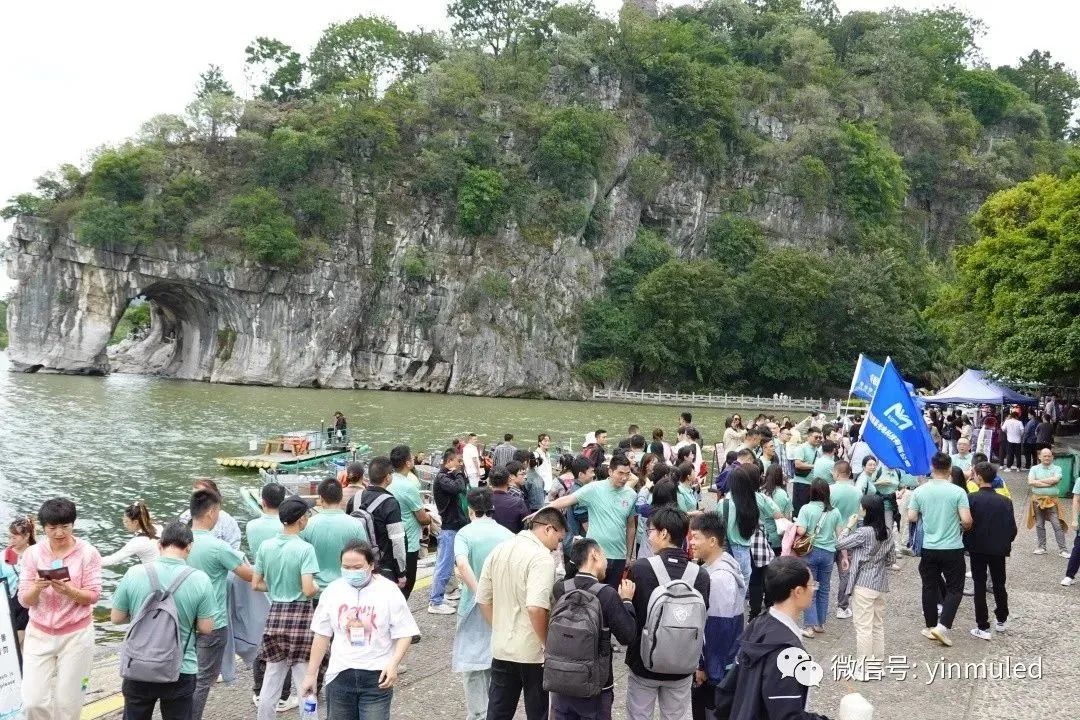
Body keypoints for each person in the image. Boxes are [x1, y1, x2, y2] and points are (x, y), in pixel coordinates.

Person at [300, 540, 420, 720]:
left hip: (377, 676)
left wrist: (393, 664)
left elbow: (405, 633)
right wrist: (311, 674)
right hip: (340, 675)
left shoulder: (388, 591)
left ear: (371, 565)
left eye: (357, 567)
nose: (351, 572)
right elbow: (321, 635)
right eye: (346, 567)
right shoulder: (333, 591)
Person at [110, 521, 215, 720]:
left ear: (160, 545)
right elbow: (206, 627)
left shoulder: (135, 573)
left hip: (138, 665)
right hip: (180, 667)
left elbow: (116, 618)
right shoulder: (200, 579)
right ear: (189, 547)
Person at [477, 507, 566, 720]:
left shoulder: (500, 549)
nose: (557, 546)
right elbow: (535, 607)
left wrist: (498, 627)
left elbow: (482, 599)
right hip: (533, 653)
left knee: (498, 710)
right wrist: (546, 643)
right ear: (549, 529)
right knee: (538, 711)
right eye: (559, 539)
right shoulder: (541, 559)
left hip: (502, 647)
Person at [18, 498, 102, 720]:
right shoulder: (33, 554)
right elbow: (24, 600)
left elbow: (93, 595)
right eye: (52, 527)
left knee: (68, 704)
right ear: (43, 528)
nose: (58, 533)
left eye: (65, 526)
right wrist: (36, 588)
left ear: (73, 524)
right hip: (39, 632)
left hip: (76, 634)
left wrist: (69, 591)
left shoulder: (88, 553)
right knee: (32, 701)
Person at [624, 507, 711, 720]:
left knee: (639, 715)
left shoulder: (641, 568)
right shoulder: (700, 575)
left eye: (651, 531)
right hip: (682, 664)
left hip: (644, 662)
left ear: (664, 533)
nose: (649, 536)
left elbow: (632, 619)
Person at [727, 557, 832, 720]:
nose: (814, 589)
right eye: (812, 585)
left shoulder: (758, 623)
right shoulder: (788, 652)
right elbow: (787, 715)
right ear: (797, 592)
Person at [548, 538, 637, 720]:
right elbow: (628, 636)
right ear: (594, 554)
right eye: (604, 556)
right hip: (596, 687)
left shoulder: (560, 589)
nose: (607, 563)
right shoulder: (607, 594)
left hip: (560, 681)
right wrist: (627, 601)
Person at [186, 489, 254, 720]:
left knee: (184, 674)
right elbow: (248, 575)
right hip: (213, 622)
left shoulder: (178, 542)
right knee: (204, 679)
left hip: (182, 620)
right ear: (212, 512)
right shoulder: (218, 547)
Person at [252, 496, 319, 720]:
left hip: (275, 615)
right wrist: (316, 586)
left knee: (272, 676)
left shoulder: (266, 546)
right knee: (305, 678)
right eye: (307, 515)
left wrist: (279, 586)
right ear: (300, 520)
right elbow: (308, 589)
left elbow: (256, 584)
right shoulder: (305, 548)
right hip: (300, 617)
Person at [452, 489, 514, 720]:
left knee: (472, 667)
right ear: (492, 508)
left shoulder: (465, 534)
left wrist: (479, 594)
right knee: (496, 661)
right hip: (503, 606)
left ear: (470, 510)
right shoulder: (507, 534)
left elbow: (463, 565)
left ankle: (478, 714)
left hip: (472, 607)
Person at [907, 452, 972, 648]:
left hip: (929, 546)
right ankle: (943, 626)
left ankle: (930, 626)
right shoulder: (958, 492)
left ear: (932, 468)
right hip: (952, 547)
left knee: (929, 586)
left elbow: (911, 516)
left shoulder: (920, 491)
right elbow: (967, 520)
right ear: (950, 469)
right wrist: (962, 526)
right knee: (955, 588)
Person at [547, 454, 638, 589]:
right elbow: (567, 500)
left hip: (619, 556)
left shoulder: (631, 494)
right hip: (594, 555)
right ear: (610, 471)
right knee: (589, 594)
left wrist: (629, 555)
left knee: (610, 595)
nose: (624, 478)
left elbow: (631, 526)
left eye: (627, 474)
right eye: (620, 473)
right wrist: (542, 511)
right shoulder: (594, 489)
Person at [688, 514, 744, 720]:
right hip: (724, 663)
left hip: (715, 669)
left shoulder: (718, 579)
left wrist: (705, 667)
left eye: (695, 537)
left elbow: (718, 628)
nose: (691, 542)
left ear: (712, 541)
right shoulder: (726, 566)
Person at [835, 495, 895, 679]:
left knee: (863, 627)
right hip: (880, 584)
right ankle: (878, 665)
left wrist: (848, 526)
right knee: (877, 625)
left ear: (867, 510)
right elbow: (891, 560)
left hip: (863, 583)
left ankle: (863, 668)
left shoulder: (864, 532)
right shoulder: (887, 532)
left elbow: (840, 544)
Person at [246, 482, 291, 711]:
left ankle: (258, 690)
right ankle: (283, 696)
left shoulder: (252, 526)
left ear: (262, 501)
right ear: (283, 502)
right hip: (285, 590)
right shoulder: (287, 528)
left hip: (261, 585)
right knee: (286, 645)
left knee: (260, 643)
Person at [965, 462, 1016, 640]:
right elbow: (1012, 529)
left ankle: (982, 625)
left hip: (977, 548)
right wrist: (1004, 542)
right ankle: (1001, 619)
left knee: (979, 585)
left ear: (978, 477)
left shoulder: (971, 498)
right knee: (999, 583)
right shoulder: (1005, 501)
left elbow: (966, 523)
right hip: (998, 549)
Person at [719, 465, 782, 589]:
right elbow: (777, 513)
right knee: (743, 584)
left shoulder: (724, 503)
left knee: (727, 585)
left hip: (727, 548)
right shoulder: (755, 498)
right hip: (744, 548)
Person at [303, 478, 370, 591]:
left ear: (321, 498)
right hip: (347, 589)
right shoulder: (355, 525)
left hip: (316, 589)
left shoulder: (308, 525)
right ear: (341, 497)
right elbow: (365, 557)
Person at [357, 457, 408, 588]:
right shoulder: (390, 503)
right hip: (383, 567)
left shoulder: (356, 498)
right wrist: (401, 572)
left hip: (358, 564)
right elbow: (397, 541)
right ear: (387, 477)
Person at [388, 446, 431, 599]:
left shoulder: (388, 480)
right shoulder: (408, 486)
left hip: (391, 538)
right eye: (412, 458)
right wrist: (431, 518)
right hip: (409, 540)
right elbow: (422, 518)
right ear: (407, 463)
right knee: (408, 582)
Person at [431, 448, 469, 615]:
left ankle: (441, 595)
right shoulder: (442, 478)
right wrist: (459, 473)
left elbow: (463, 484)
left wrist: (459, 473)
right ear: (449, 461)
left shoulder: (448, 476)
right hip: (449, 526)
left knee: (446, 564)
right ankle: (435, 601)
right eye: (457, 461)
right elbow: (458, 487)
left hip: (455, 525)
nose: (459, 464)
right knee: (444, 565)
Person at [830, 461, 862, 620]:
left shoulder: (829, 490)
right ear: (850, 473)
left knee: (823, 574)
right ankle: (842, 607)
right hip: (849, 536)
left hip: (829, 537)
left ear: (835, 473)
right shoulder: (857, 492)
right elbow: (860, 514)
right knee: (846, 573)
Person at [179, 478, 242, 550]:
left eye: (201, 497)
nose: (197, 500)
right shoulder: (185, 516)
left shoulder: (227, 521)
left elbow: (234, 548)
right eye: (194, 496)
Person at [1028, 448, 1068, 556]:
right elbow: (1031, 482)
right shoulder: (1034, 468)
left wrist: (1038, 482)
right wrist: (1049, 483)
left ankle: (1063, 550)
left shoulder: (1057, 468)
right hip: (1037, 500)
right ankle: (1041, 547)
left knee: (1057, 524)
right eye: (1044, 456)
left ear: (1052, 457)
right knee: (1039, 524)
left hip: (1052, 500)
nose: (1047, 458)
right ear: (1039, 457)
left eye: (1049, 456)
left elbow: (1055, 480)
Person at [101, 500, 161, 567]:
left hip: (153, 573)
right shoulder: (158, 527)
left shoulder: (137, 542)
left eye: (126, 521)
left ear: (135, 522)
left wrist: (89, 560)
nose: (124, 524)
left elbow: (111, 560)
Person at [5, 516, 35, 647]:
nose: (11, 541)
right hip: (10, 602)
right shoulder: (3, 557)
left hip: (29, 601)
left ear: (26, 536)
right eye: (10, 537)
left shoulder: (37, 553)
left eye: (14, 537)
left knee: (22, 641)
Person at [490, 467, 531, 534]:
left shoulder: (484, 501)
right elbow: (527, 526)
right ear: (509, 479)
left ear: (490, 482)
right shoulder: (518, 502)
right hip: (514, 540)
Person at [791, 428, 822, 514]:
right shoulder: (802, 448)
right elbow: (798, 464)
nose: (818, 439)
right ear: (809, 436)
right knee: (799, 510)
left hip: (812, 484)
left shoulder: (817, 451)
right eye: (816, 437)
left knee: (809, 510)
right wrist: (815, 466)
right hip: (801, 484)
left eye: (820, 437)